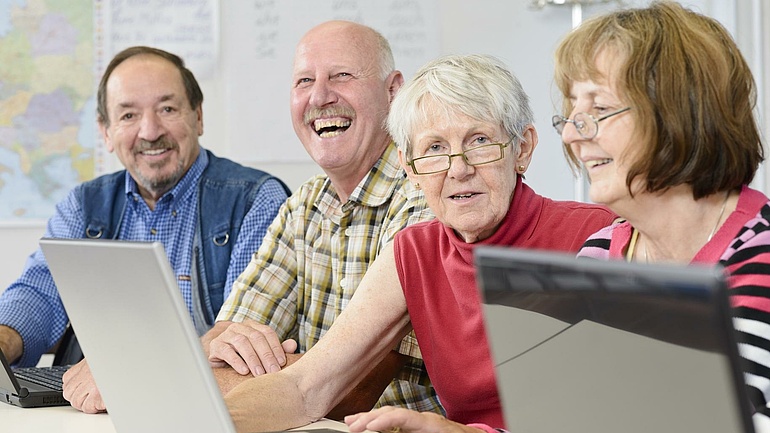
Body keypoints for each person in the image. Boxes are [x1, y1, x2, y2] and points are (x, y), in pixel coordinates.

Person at [215, 54, 618, 433]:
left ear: (522, 149)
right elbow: (306, 388)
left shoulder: (594, 236)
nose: (458, 169)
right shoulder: (415, 252)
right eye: (435, 149)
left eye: (479, 141)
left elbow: (616, 414)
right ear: (410, 169)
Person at [0, 46, 290, 407]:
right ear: (106, 132)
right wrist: (4, 339)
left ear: (198, 117)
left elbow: (237, 337)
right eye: (128, 115)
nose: (150, 131)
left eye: (167, 109)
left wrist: (124, 370)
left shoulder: (255, 201)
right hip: (88, 409)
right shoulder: (83, 206)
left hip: (197, 412)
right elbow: (39, 293)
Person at [201, 20, 442, 417]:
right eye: (303, 81)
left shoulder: (427, 192)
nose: (320, 96)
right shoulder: (305, 204)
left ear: (394, 90)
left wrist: (261, 378)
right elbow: (223, 347)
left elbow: (350, 393)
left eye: (342, 76)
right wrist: (237, 367)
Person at [551, 0, 770, 425]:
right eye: (572, 109)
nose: (569, 133)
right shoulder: (600, 254)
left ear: (676, 113)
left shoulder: (760, 260)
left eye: (598, 108)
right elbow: (563, 412)